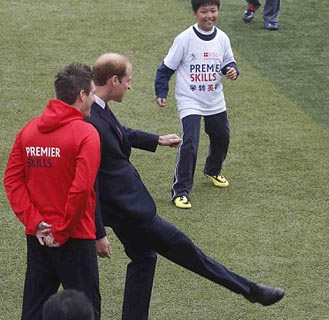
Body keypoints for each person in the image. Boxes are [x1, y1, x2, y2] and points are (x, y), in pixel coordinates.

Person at [89, 52, 284, 320]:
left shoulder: (98, 108)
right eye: (128, 80)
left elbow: (121, 132)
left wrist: (157, 140)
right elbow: (90, 181)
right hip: (131, 211)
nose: (130, 85)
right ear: (114, 80)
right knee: (190, 253)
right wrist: (98, 232)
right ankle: (250, 290)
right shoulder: (92, 120)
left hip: (126, 208)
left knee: (145, 258)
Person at [3, 64, 101, 320]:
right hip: (75, 236)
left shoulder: (29, 130)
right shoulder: (86, 134)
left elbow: (12, 180)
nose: (93, 99)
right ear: (81, 95)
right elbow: (80, 190)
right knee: (86, 311)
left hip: (38, 238)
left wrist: (35, 224)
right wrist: (61, 230)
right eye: (92, 94)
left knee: (34, 310)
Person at [155, 0, 238, 209]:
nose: (209, 15)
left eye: (213, 11)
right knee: (190, 144)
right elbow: (165, 69)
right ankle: (180, 191)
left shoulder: (222, 38)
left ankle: (212, 170)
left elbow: (229, 62)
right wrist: (161, 92)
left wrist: (232, 70)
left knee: (222, 137)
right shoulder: (184, 39)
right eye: (204, 11)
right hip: (189, 100)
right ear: (195, 13)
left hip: (214, 99)